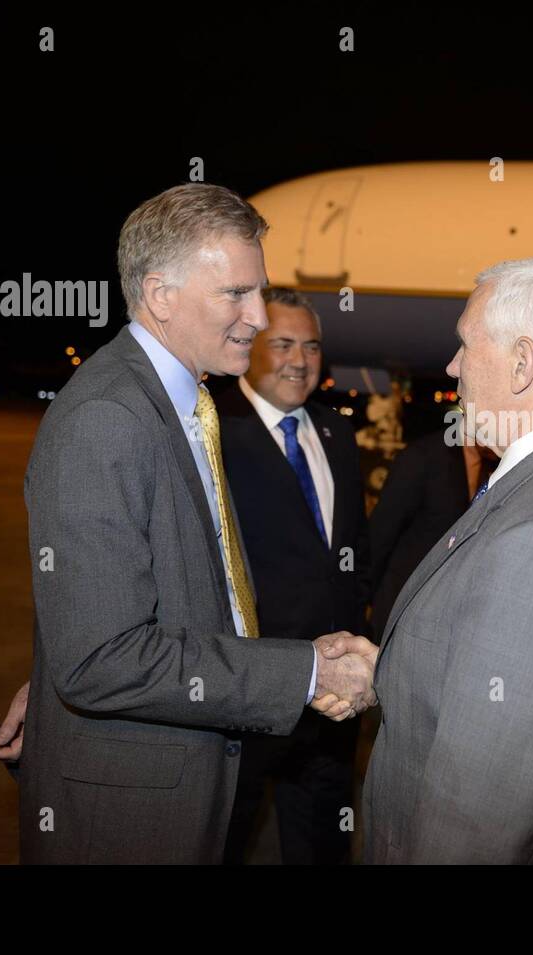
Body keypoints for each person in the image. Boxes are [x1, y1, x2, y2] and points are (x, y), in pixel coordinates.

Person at [0, 184, 375, 863]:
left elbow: (139, 611)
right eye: (237, 294)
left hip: (189, 776)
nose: (257, 316)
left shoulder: (186, 404)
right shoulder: (107, 418)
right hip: (132, 812)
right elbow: (101, 658)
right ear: (161, 294)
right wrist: (303, 672)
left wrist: (51, 679)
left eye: (261, 291)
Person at [323, 254, 533, 863]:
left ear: (522, 362)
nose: (452, 365)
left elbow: (479, 818)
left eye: (464, 344)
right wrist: (394, 672)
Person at [214, 287, 371, 865]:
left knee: (323, 845)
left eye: (311, 346)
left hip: (331, 703)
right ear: (249, 345)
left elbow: (351, 555)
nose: (300, 360)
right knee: (224, 841)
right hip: (247, 694)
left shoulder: (337, 433)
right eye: (282, 344)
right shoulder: (211, 431)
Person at [369, 426, 494, 642]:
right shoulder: (422, 456)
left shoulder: (496, 465)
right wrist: (365, 599)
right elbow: (380, 534)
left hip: (448, 614)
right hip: (402, 604)